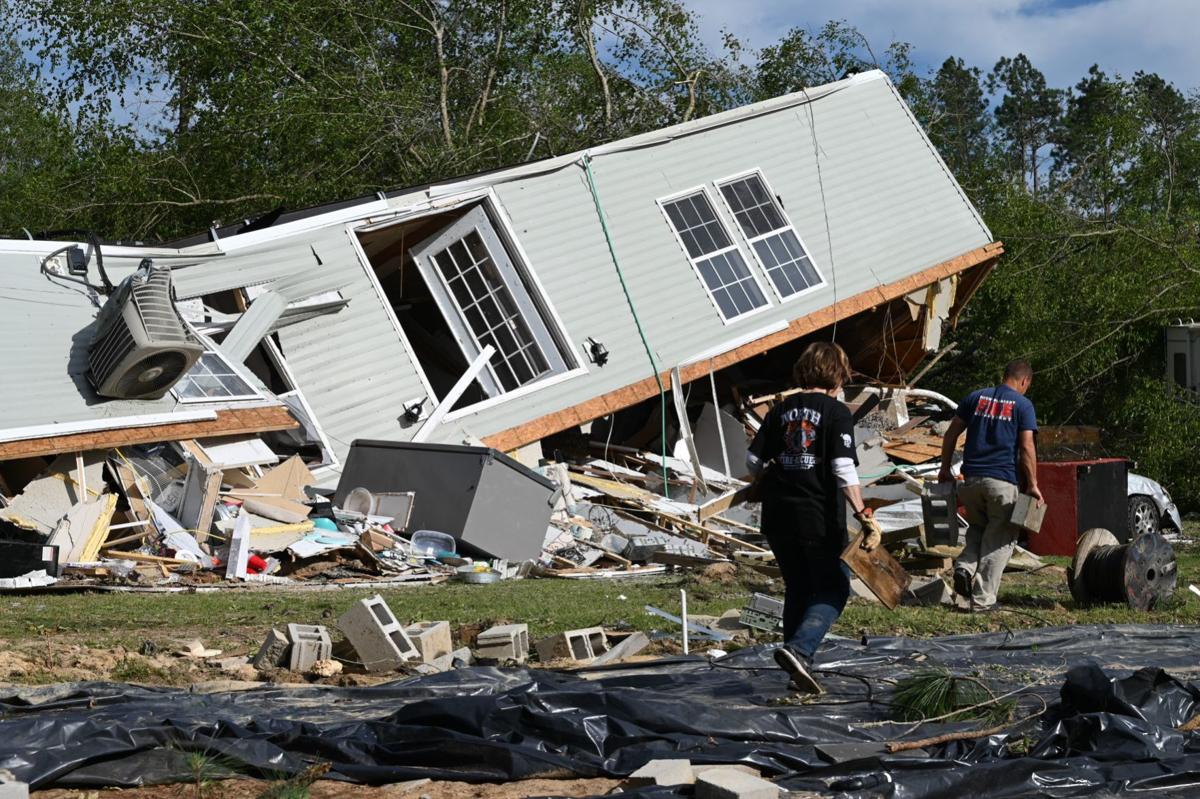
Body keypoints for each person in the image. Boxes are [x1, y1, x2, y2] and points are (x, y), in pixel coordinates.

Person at [747, 341, 882, 694]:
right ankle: (800, 650)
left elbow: (752, 463)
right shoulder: (836, 413)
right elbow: (841, 467)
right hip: (817, 517)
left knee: (799, 587)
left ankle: (796, 668)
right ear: (837, 372)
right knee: (834, 587)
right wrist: (862, 513)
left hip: (778, 517)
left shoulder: (780, 410)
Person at [937, 359, 1042, 612]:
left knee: (978, 529)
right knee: (1001, 539)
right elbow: (1027, 446)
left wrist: (944, 469)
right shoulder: (1023, 405)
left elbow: (951, 434)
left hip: (971, 481)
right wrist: (1033, 484)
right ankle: (983, 600)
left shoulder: (975, 398)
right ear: (1024, 381)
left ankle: (963, 567)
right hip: (1002, 482)